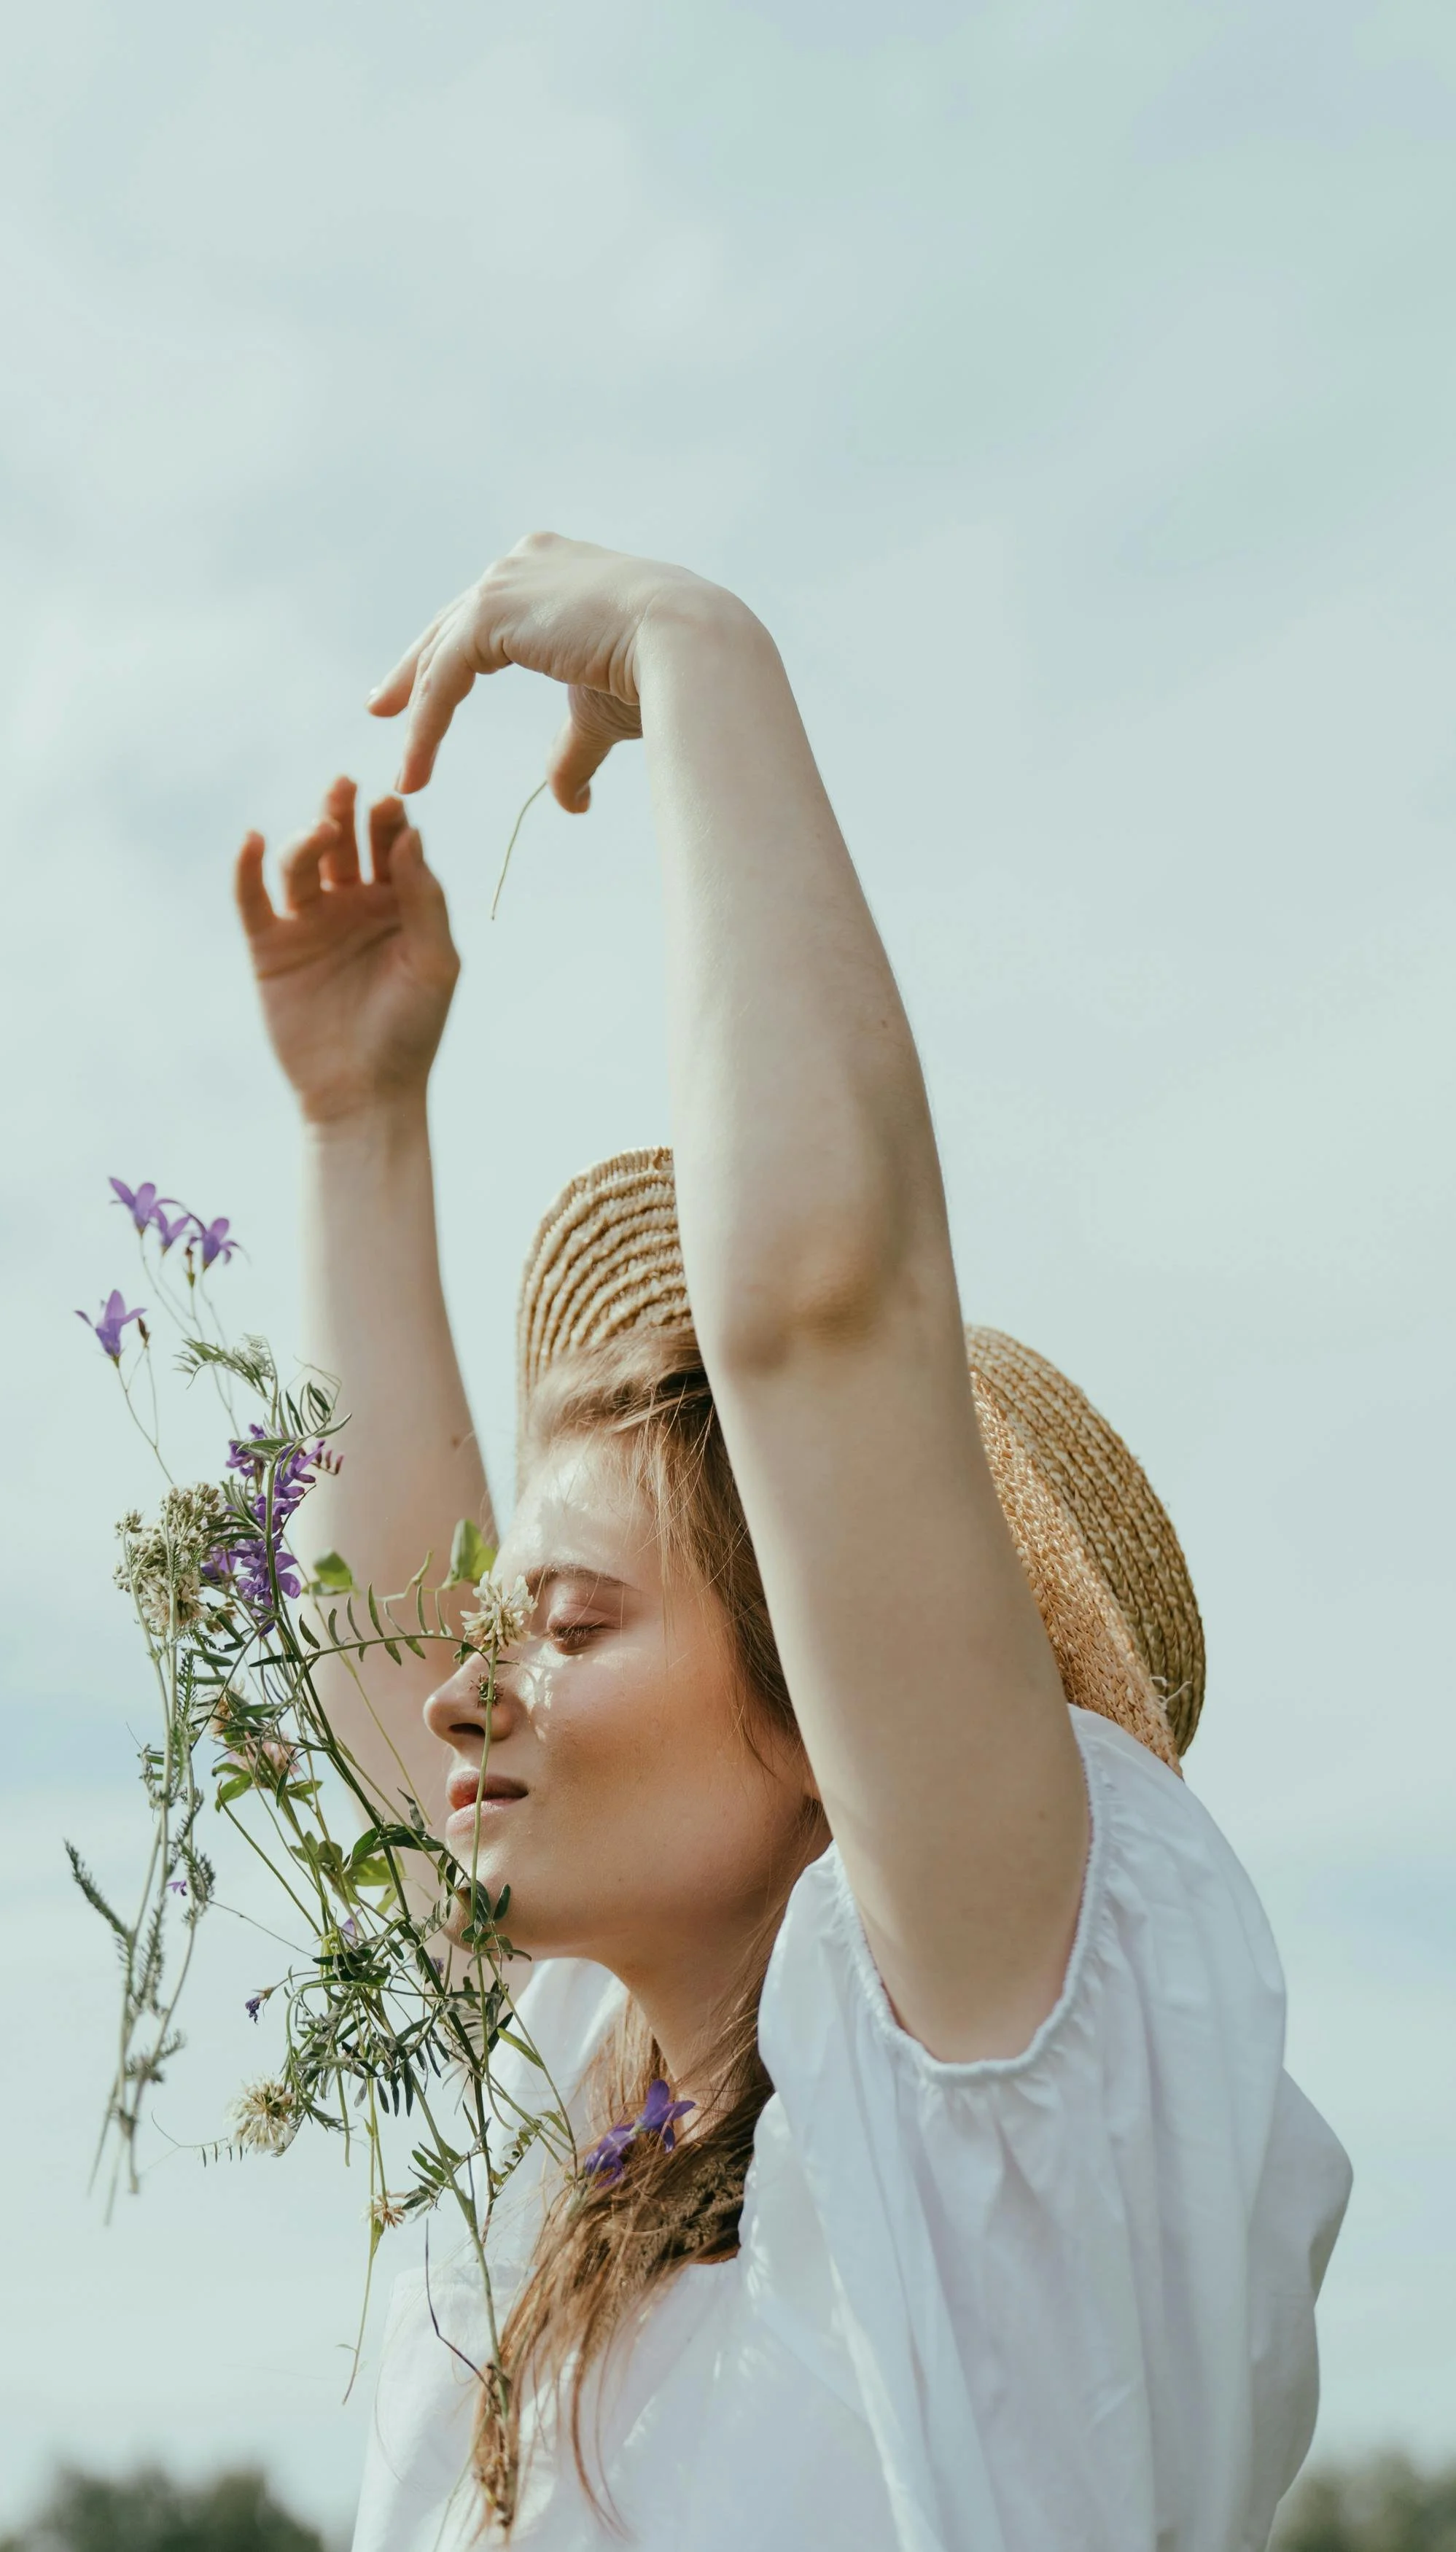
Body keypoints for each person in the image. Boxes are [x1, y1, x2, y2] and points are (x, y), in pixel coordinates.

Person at [231, 534, 1351, 2551]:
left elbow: (817, 1314)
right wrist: (355, 1118)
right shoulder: (587, 2139)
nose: (473, 1685)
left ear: (833, 1693)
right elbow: (391, 1656)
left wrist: (695, 654)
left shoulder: (992, 2153)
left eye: (571, 1621)